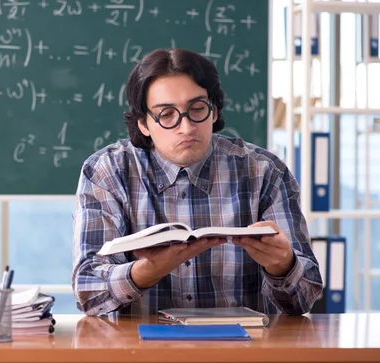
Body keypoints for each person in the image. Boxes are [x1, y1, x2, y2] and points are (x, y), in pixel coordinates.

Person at [71, 48, 323, 317]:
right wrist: (148, 271)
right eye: (167, 114)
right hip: (141, 353)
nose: (187, 126)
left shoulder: (264, 172)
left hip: (243, 353)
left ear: (214, 112)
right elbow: (89, 291)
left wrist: (283, 264)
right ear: (144, 123)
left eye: (197, 109)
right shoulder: (108, 171)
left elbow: (304, 299)